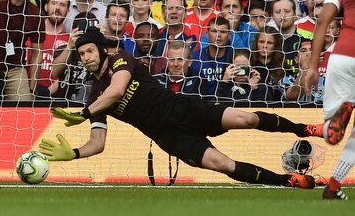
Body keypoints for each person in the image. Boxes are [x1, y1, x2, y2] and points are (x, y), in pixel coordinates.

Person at [40, 29, 324, 190]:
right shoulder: (94, 94)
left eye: (89, 50)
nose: (86, 57)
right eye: (81, 54)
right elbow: (98, 143)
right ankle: (288, 181)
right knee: (222, 164)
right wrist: (75, 153)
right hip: (169, 137)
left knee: (246, 118)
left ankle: (307, 129)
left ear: (102, 50)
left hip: (183, 109)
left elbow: (117, 89)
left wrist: (83, 114)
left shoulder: (120, 60)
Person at [305, 0, 355, 200]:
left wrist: (313, 66)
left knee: (329, 134)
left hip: (342, 56)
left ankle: (333, 186)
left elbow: (323, 20)